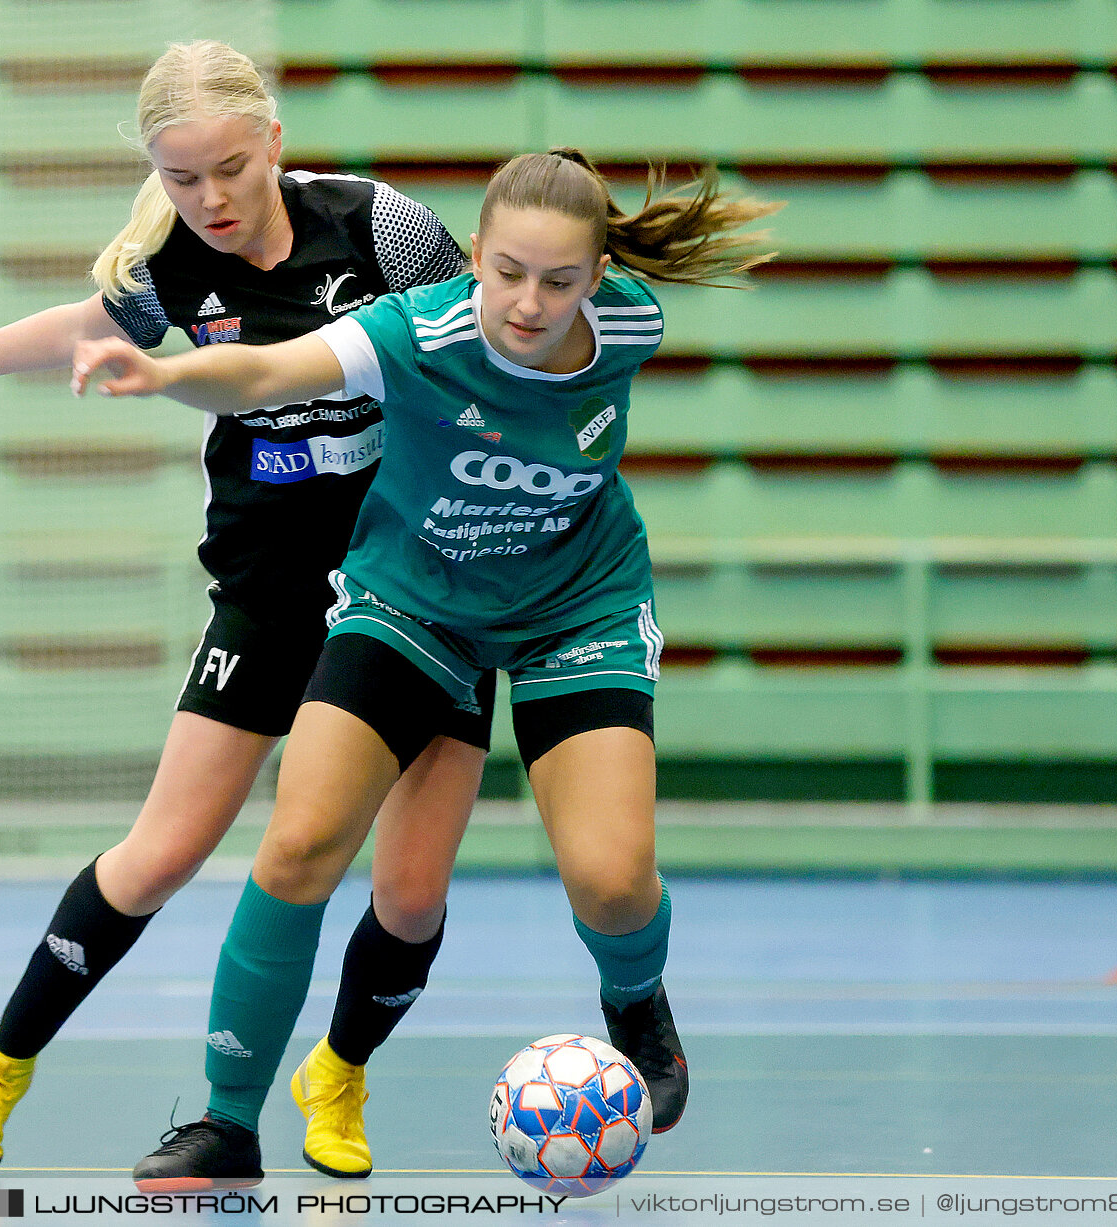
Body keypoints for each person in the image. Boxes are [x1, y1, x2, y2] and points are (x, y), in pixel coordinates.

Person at [68, 147, 780, 1189]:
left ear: (597, 277)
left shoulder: (631, 325)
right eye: (510, 273)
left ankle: (637, 998)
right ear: (477, 256)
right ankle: (227, 1124)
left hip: (575, 606)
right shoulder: (417, 329)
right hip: (413, 604)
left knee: (613, 882)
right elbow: (267, 371)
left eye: (561, 280)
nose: (530, 304)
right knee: (302, 844)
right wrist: (166, 372)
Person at [0, 40, 495, 1182]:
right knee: (162, 853)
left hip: (420, 589)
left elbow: (477, 350)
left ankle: (342, 1073)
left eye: (229, 167)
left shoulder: (385, 231)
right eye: (180, 177)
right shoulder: (172, 262)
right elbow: (91, 327)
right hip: (269, 595)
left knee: (410, 895)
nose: (209, 198)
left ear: (273, 140)